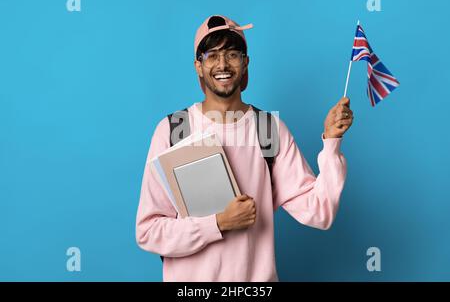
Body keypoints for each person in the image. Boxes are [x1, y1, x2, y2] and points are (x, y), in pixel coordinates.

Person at [135, 15, 354, 281]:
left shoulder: (268, 129)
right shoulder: (175, 129)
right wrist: (218, 223)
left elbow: (320, 211)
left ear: (245, 62)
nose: (223, 64)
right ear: (198, 66)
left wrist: (331, 142)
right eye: (212, 55)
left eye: (232, 54)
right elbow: (148, 232)